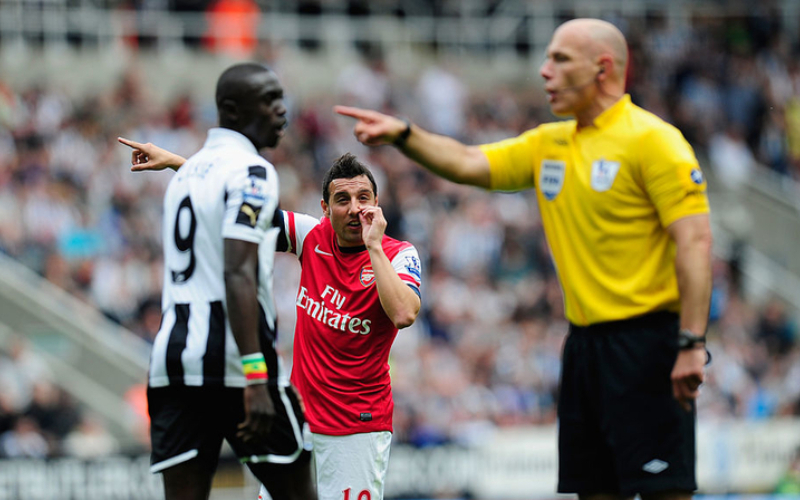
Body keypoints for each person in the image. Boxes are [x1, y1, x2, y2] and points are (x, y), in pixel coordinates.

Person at [336, 18, 712, 500]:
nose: (544, 70)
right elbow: (470, 163)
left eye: (559, 59)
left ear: (603, 68)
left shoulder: (654, 141)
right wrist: (405, 134)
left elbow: (696, 243)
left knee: (664, 491)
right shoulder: (549, 143)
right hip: (583, 347)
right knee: (592, 491)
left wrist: (691, 343)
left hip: (649, 343)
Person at [120, 145, 422, 500]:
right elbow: (237, 203)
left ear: (377, 203)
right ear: (325, 209)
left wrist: (373, 248)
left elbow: (404, 314)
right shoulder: (312, 236)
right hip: (300, 422)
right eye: (343, 199)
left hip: (357, 429)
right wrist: (176, 163)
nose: (355, 209)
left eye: (363, 198)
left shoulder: (398, 254)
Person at [119, 62, 316, 500]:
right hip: (236, 361)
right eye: (269, 100)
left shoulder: (187, 174)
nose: (282, 110)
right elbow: (237, 270)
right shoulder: (255, 172)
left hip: (173, 364)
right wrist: (255, 375)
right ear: (231, 108)